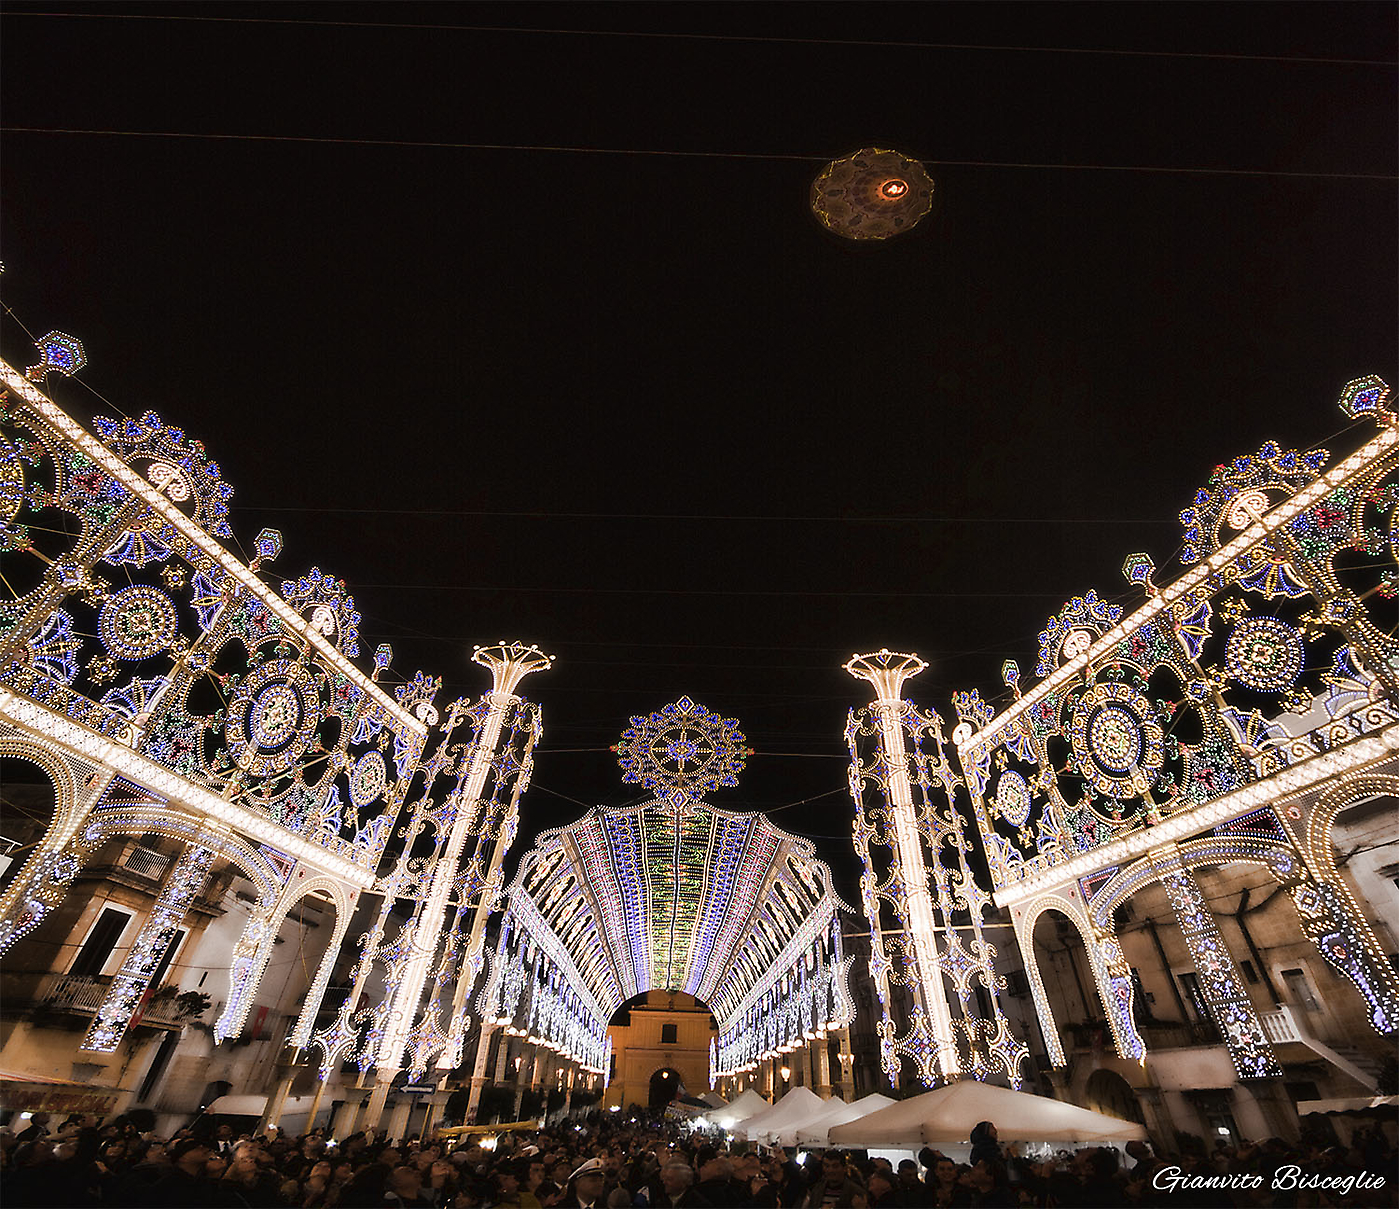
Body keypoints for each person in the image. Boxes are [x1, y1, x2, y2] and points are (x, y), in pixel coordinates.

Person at [801, 1150, 866, 1208]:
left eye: (835, 1166)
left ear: (844, 1168)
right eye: (827, 1166)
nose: (830, 1170)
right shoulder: (817, 1190)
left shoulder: (855, 1193)